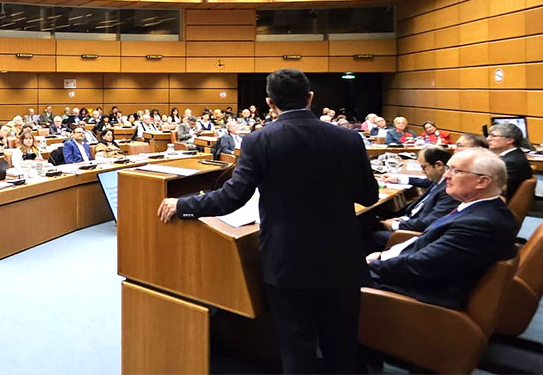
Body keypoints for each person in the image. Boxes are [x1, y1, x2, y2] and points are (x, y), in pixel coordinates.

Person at [156, 69, 378, 374]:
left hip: (288, 261)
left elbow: (230, 198)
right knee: (342, 348)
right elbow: (368, 196)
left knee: (297, 348)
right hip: (342, 259)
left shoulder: (259, 141)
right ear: (310, 98)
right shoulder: (349, 139)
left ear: (270, 103)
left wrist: (182, 205)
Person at [366, 148, 517, 310]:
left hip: (419, 298)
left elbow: (422, 267)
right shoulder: (480, 208)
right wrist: (383, 255)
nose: (446, 175)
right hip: (409, 269)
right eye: (448, 168)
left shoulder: (481, 224)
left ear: (482, 182)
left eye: (456, 171)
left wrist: (369, 265)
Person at [367, 146, 458, 252]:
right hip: (409, 218)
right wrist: (397, 179)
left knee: (368, 233)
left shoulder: (449, 189)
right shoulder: (439, 179)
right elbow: (424, 182)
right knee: (370, 217)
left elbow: (428, 222)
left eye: (424, 167)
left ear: (438, 165)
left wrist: (395, 225)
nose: (421, 172)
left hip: (415, 233)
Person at [486, 123, 533, 198]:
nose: (488, 139)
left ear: (509, 140)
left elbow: (497, 189)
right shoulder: (515, 155)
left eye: (493, 136)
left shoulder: (510, 162)